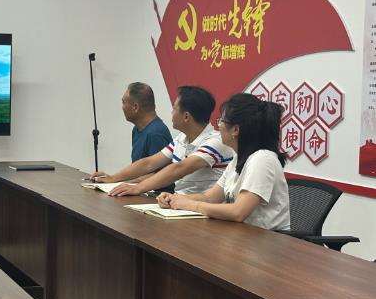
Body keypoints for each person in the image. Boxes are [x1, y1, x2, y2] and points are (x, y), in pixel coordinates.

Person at [157, 93, 290, 230]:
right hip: (242, 235)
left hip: (267, 239)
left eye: (221, 120)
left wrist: (191, 205)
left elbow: (238, 212)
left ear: (235, 130)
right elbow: (209, 198)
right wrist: (175, 199)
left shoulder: (263, 159)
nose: (218, 125)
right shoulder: (238, 157)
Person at [95, 86, 234, 197]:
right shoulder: (181, 138)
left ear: (186, 116)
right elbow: (149, 163)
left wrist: (138, 188)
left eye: (174, 109)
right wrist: (113, 178)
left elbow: (179, 169)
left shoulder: (216, 141)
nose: (171, 113)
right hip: (179, 204)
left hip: (203, 211)